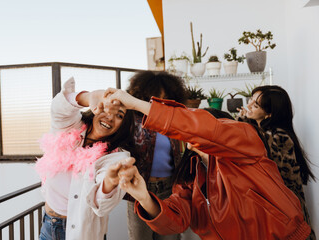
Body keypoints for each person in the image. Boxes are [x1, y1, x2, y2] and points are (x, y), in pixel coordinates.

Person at [104, 84, 312, 240]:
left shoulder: (245, 141)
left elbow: (203, 129)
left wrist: (137, 104)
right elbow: (176, 219)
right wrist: (143, 196)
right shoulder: (191, 175)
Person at [35, 77, 135, 240]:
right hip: (48, 224)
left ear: (124, 125)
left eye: (119, 115)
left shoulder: (117, 156)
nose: (110, 116)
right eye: (106, 108)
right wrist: (89, 97)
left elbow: (101, 205)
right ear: (96, 108)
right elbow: (59, 109)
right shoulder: (71, 127)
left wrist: (109, 183)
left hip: (80, 233)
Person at [237, 85, 316, 239]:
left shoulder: (278, 137)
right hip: (276, 210)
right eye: (251, 100)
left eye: (255, 105)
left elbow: (275, 176)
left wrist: (242, 124)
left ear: (269, 114)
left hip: (284, 212)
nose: (248, 106)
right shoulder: (261, 132)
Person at [124, 71, 187, 240]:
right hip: (140, 190)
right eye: (154, 99)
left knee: (169, 236)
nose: (159, 104)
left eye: (165, 98)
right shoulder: (131, 120)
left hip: (170, 190)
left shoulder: (174, 121)